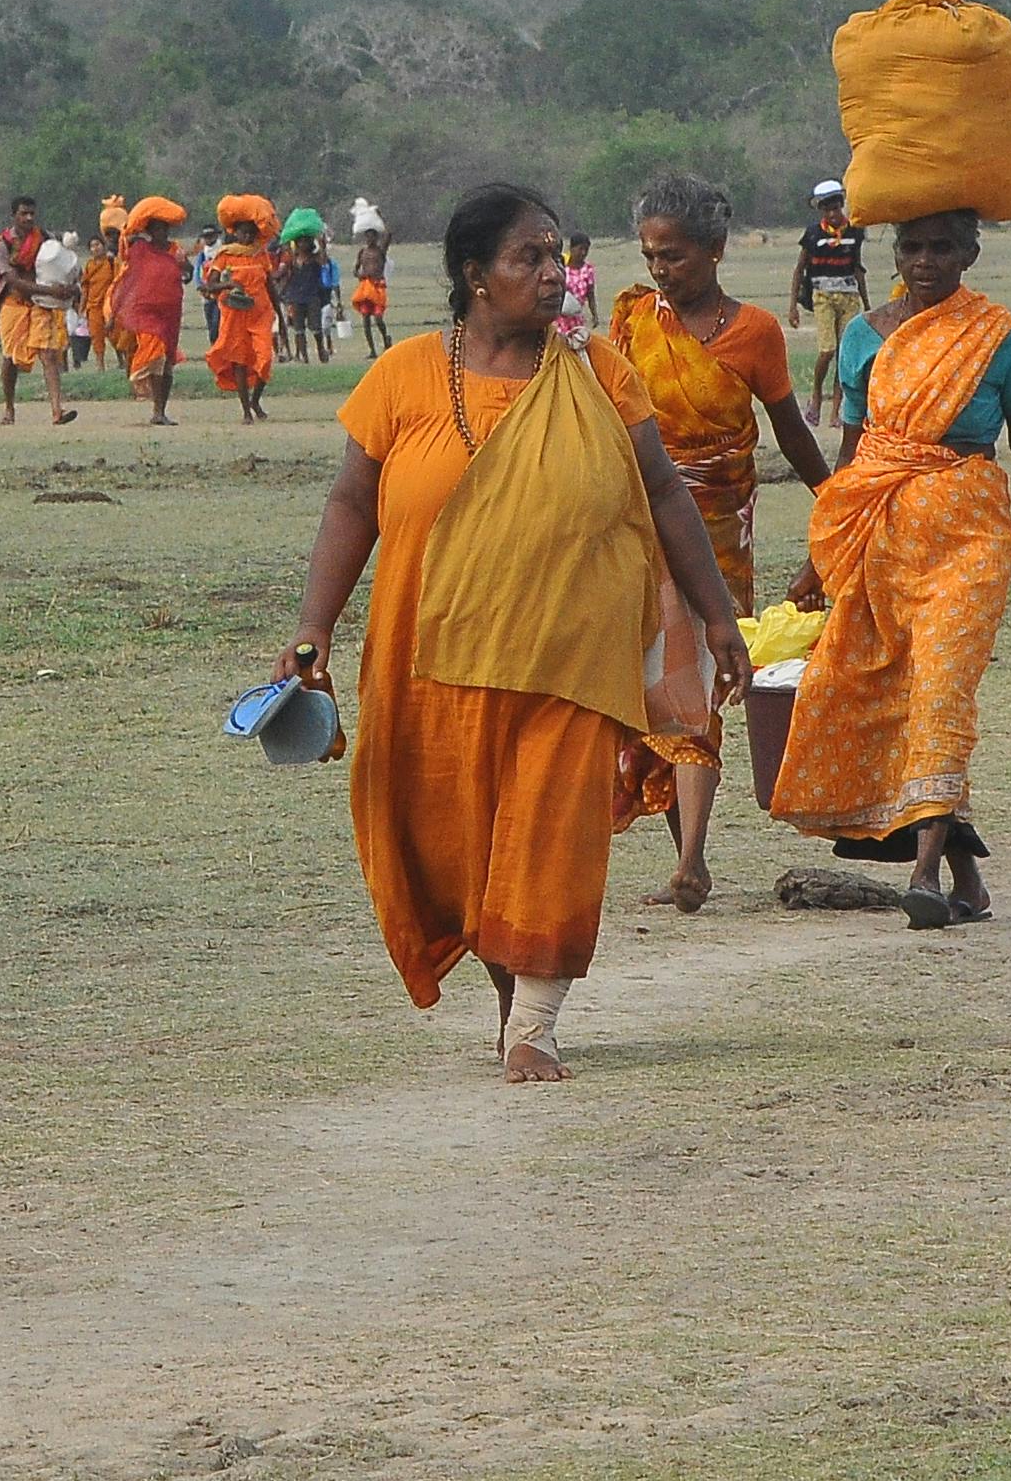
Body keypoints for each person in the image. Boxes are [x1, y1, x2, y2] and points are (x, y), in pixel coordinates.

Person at [279, 183, 749, 1082]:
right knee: (451, 839)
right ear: (473, 277)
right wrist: (313, 633)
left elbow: (661, 493)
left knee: (550, 826)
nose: (551, 276)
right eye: (526, 259)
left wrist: (718, 615)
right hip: (428, 657)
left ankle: (534, 1019)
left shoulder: (600, 371)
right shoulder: (407, 375)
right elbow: (351, 504)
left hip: (569, 656)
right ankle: (508, 1000)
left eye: (555, 257)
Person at [776, 207, 1011, 929]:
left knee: (943, 690)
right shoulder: (862, 338)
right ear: (894, 254)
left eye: (943, 247)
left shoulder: (998, 337)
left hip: (972, 540)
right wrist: (818, 557)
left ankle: (923, 875)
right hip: (881, 542)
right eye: (913, 247)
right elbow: (854, 459)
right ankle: (965, 875)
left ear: (971, 253)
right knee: (901, 696)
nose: (927, 261)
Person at [609, 174, 834, 914]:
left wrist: (839, 507)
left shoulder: (755, 333)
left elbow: (791, 433)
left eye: (672, 255)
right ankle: (684, 853)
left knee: (701, 686)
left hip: (716, 537)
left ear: (714, 250)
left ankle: (693, 856)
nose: (659, 270)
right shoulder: (633, 322)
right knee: (658, 689)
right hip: (637, 530)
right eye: (649, 256)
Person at [788, 180, 869, 431]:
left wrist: (867, 304)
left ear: (841, 205)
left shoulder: (854, 232)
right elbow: (800, 269)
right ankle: (815, 397)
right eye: (826, 209)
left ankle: (836, 410)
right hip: (822, 296)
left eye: (835, 208)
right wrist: (793, 306)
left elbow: (857, 268)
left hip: (849, 297)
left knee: (844, 354)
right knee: (827, 349)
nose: (832, 214)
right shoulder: (813, 234)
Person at [0, 200, 78, 426]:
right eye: (24, 214)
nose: (29, 218)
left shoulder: (45, 238)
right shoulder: (2, 244)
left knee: (49, 354)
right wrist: (50, 290)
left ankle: (57, 410)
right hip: (15, 303)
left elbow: (62, 265)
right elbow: (13, 280)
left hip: (42, 304)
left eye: (32, 213)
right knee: (11, 358)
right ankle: (9, 408)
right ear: (14, 215)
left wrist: (68, 287)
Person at [204, 196, 282, 422]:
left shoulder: (261, 254)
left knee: (265, 358)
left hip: (261, 313)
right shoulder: (225, 255)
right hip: (234, 315)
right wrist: (229, 285)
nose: (248, 237)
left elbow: (270, 286)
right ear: (234, 232)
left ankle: (256, 399)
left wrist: (282, 319)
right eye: (243, 232)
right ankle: (246, 409)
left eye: (251, 232)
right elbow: (211, 285)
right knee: (239, 360)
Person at [115, 198, 190, 423]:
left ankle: (160, 410)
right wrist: (129, 229)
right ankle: (156, 411)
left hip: (171, 311)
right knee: (155, 353)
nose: (162, 233)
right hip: (147, 312)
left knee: (167, 362)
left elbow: (188, 273)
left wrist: (183, 263)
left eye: (164, 228)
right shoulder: (140, 249)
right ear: (149, 230)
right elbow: (123, 250)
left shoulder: (175, 250)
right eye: (156, 228)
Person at [349, 220, 393, 356]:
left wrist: (380, 218)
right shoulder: (362, 252)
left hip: (378, 287)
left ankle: (386, 340)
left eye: (372, 236)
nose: (369, 239)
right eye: (367, 236)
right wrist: (360, 274)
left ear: (376, 237)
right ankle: (372, 350)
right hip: (365, 288)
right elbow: (355, 270)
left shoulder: (380, 251)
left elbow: (388, 235)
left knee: (378, 318)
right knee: (365, 319)